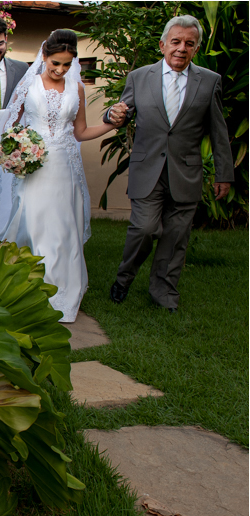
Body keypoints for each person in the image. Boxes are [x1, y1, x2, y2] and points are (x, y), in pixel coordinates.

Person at [0, 30, 126, 323]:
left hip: (64, 167)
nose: (60, 70)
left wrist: (111, 125)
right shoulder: (28, 84)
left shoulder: (77, 89)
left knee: (63, 228)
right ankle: (25, 287)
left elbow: (81, 132)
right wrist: (14, 149)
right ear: (44, 56)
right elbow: (9, 125)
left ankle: (61, 295)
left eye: (67, 65)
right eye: (55, 63)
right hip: (33, 167)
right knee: (31, 223)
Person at [106, 15, 234, 313]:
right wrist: (113, 114)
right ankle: (123, 279)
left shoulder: (209, 81)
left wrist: (224, 174)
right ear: (163, 45)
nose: (181, 48)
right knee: (144, 228)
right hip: (147, 168)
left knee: (176, 237)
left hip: (186, 172)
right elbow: (122, 111)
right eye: (175, 42)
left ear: (196, 48)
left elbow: (218, 131)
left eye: (189, 43)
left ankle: (164, 295)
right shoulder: (139, 76)